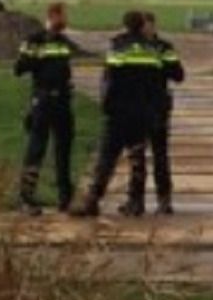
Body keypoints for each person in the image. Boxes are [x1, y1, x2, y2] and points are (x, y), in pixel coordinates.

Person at [74, 11, 173, 218]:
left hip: (119, 111)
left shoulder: (118, 47)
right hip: (142, 111)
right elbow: (156, 83)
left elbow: (109, 80)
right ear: (142, 26)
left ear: (126, 25)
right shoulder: (153, 51)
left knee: (107, 156)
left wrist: (106, 105)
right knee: (137, 157)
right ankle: (136, 202)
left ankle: (93, 199)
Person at [13, 2, 83, 214]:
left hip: (63, 100)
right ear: (52, 16)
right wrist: (37, 57)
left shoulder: (63, 42)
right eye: (63, 16)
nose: (66, 20)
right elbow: (19, 68)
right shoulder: (35, 41)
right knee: (36, 149)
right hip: (43, 99)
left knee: (64, 149)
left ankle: (65, 196)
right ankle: (26, 197)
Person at [125, 11, 185, 215]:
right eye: (143, 25)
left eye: (148, 25)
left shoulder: (163, 48)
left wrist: (163, 66)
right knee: (137, 154)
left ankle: (164, 199)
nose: (146, 29)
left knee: (160, 155)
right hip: (138, 106)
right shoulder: (136, 47)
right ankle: (136, 200)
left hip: (157, 106)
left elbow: (178, 75)